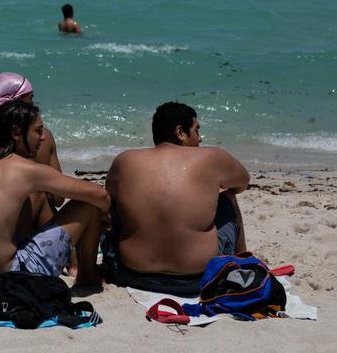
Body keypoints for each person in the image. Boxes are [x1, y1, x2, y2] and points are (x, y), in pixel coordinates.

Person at [0, 99, 108, 293]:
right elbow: (99, 195)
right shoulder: (24, 169)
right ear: (17, 133)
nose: (42, 138)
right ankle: (87, 278)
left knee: (33, 199)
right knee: (88, 205)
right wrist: (105, 214)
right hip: (9, 280)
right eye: (38, 131)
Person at [103, 101, 249, 296]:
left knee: (119, 207)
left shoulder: (125, 160)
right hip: (198, 277)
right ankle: (243, 264)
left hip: (134, 273)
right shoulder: (213, 157)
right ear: (180, 132)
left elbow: (109, 202)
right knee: (228, 197)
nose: (200, 138)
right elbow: (241, 183)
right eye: (196, 131)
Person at [0, 72, 63, 218]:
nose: (33, 103)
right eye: (30, 98)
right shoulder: (43, 137)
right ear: (20, 103)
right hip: (39, 221)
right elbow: (58, 199)